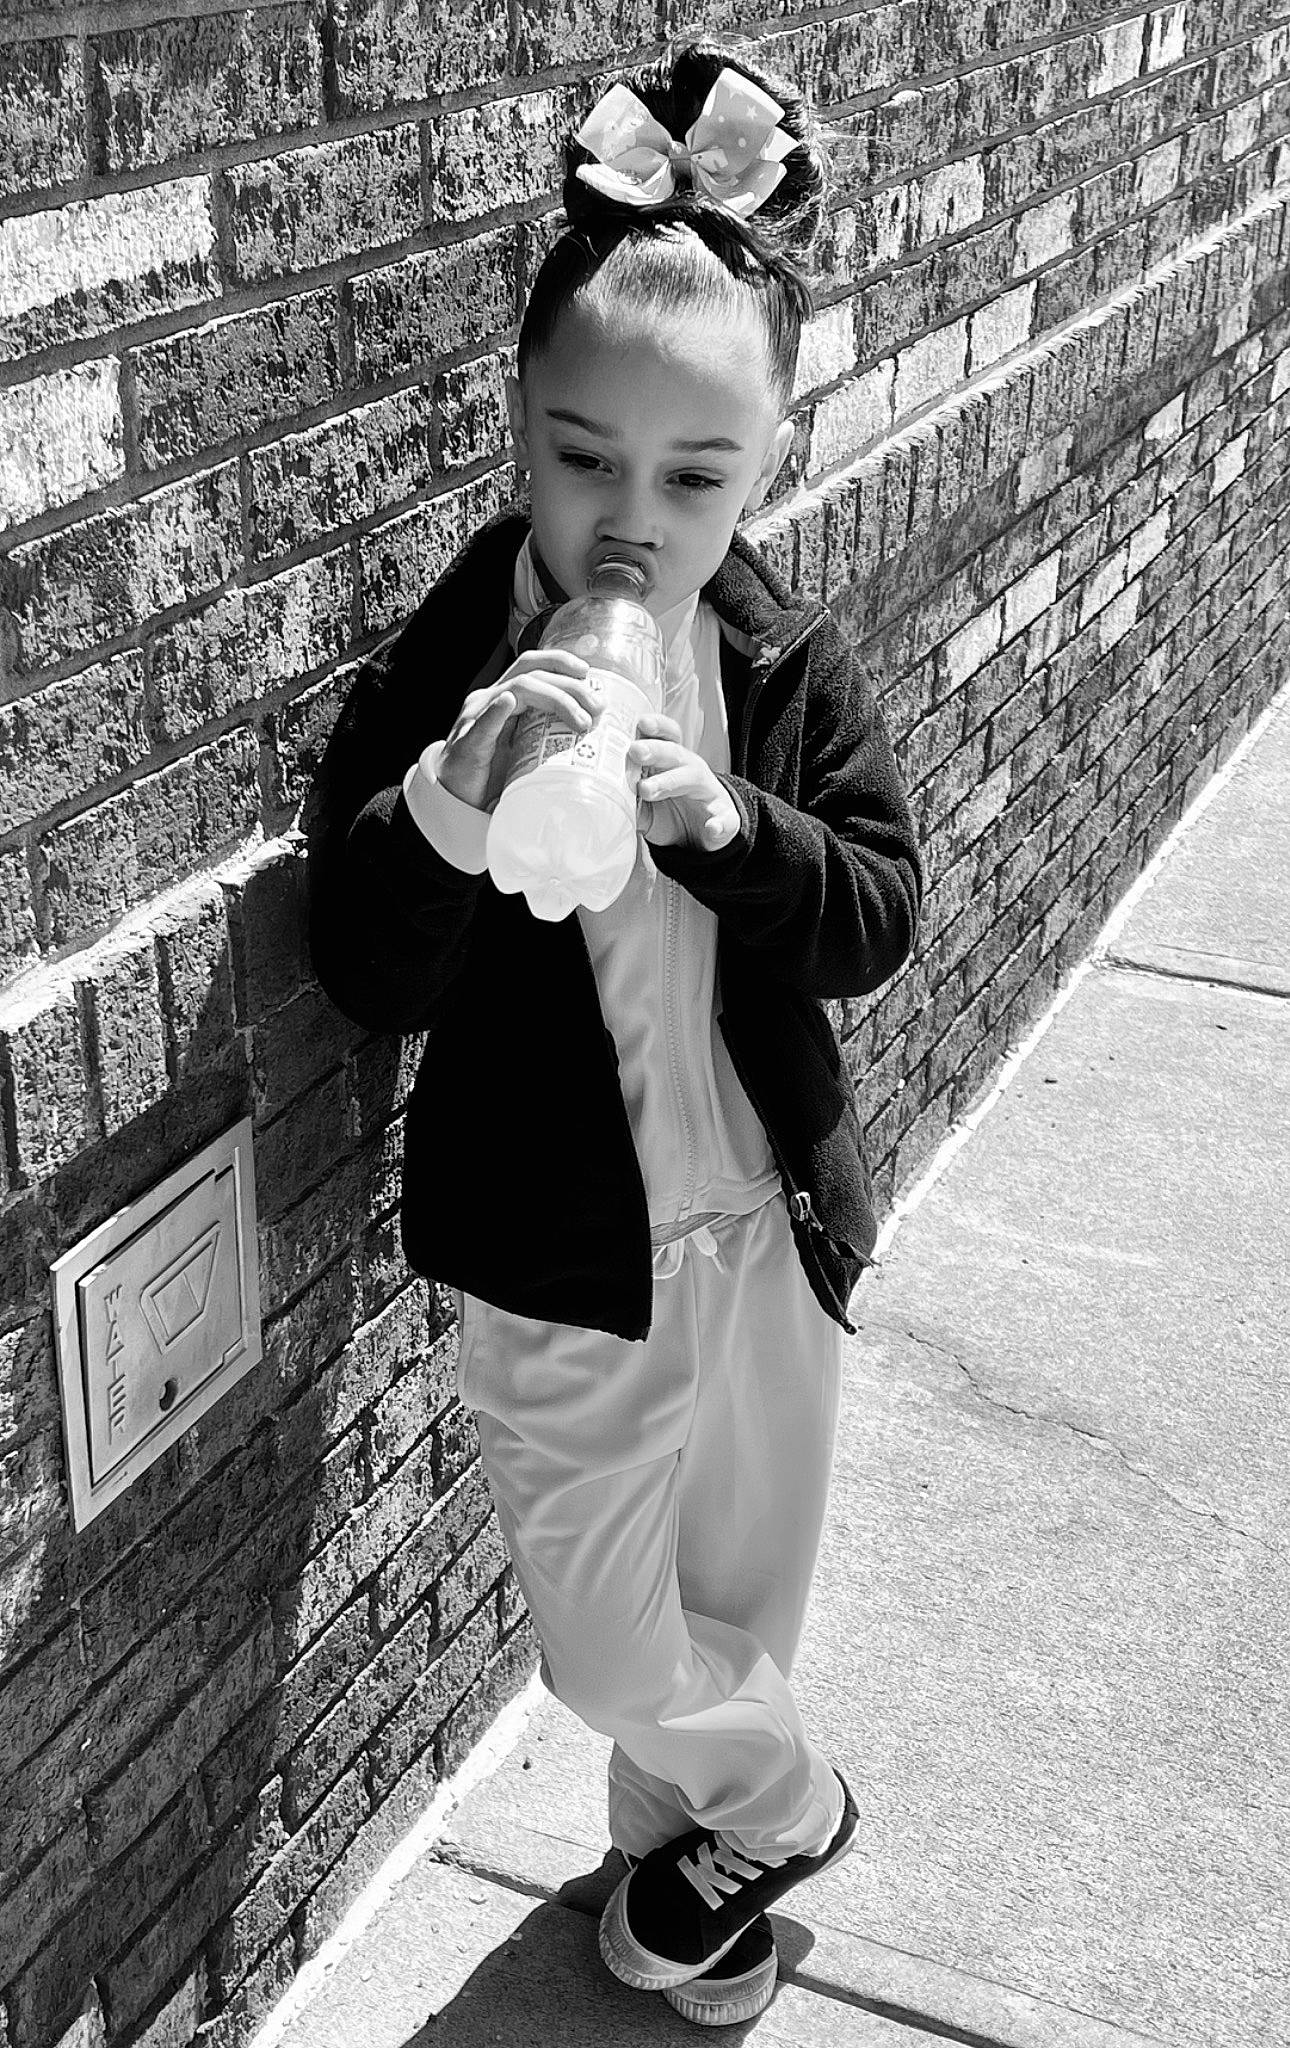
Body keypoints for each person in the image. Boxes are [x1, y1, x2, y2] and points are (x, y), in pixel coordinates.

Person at [307, 37, 921, 2029]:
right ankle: (792, 1799)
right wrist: (459, 802)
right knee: (604, 1647)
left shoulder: (781, 658)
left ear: (766, 463)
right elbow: (362, 962)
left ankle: (699, 1896)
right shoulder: (455, 660)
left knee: (734, 1607)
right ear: (517, 429)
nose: (625, 523)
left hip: (763, 1230)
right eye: (581, 458)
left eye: (692, 474)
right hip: (556, 1268)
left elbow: (878, 913)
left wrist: (731, 823)